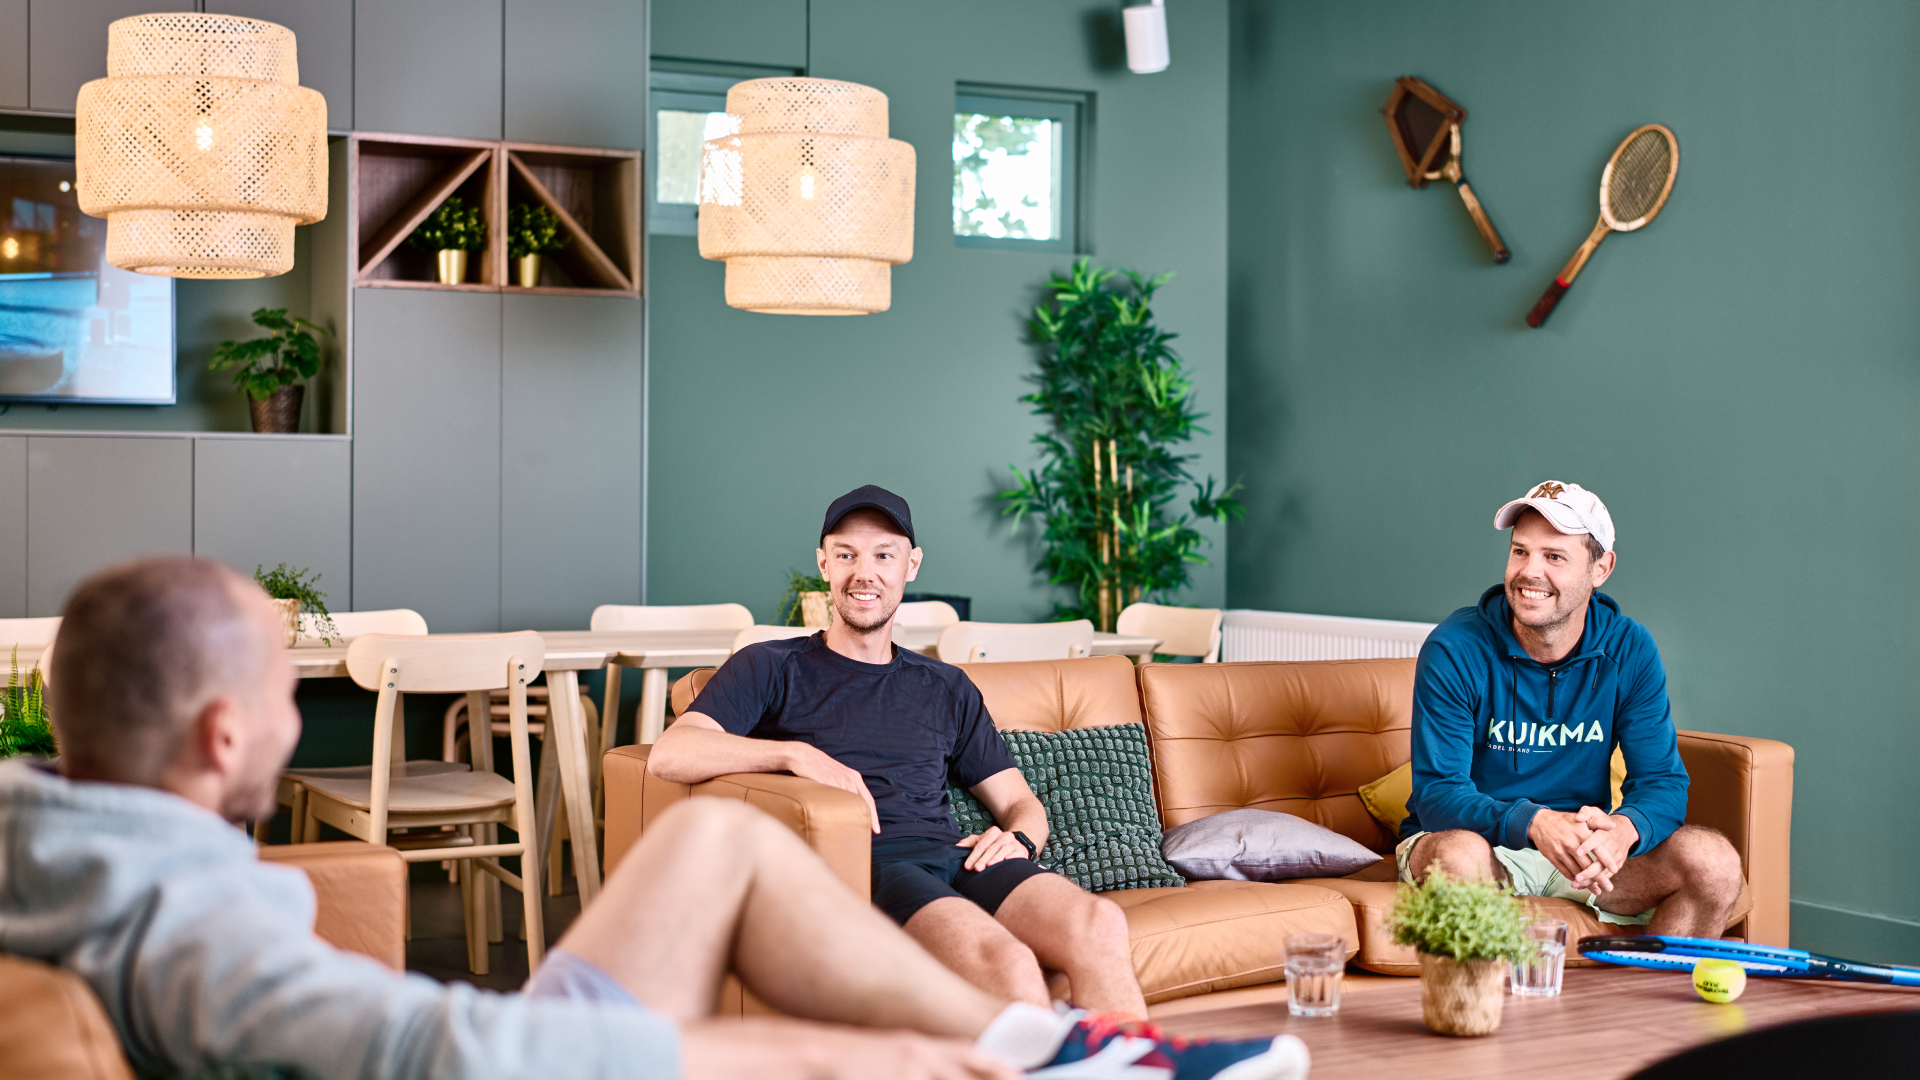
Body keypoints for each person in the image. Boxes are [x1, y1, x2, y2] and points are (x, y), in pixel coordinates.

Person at [0, 555, 1308, 1080]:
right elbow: (445, 1050)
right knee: (886, 1061)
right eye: (285, 694)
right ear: (224, 735)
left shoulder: (66, 841)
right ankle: (1032, 1053)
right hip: (512, 1067)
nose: (294, 721)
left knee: (728, 834)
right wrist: (804, 1054)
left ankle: (1059, 1046)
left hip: (495, 1046)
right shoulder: (189, 929)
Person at [649, 487, 1152, 1024]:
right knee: (1007, 963)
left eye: (884, 555)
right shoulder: (770, 666)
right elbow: (670, 754)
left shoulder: (945, 686)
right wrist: (794, 754)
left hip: (958, 857)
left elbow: (1020, 802)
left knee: (1100, 925)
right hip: (869, 864)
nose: (864, 572)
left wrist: (1021, 838)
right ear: (823, 564)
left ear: (911, 566)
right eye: (846, 554)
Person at [1399, 481, 1745, 937]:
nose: (1529, 572)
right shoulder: (1456, 647)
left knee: (1714, 861)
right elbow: (1438, 795)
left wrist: (1623, 830)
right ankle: (1488, 1006)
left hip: (1581, 857)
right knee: (1458, 858)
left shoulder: (1629, 648)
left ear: (1601, 569)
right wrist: (1534, 821)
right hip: (1481, 845)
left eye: (1554, 557)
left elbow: (1662, 782)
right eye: (1520, 551)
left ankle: (1644, 1004)